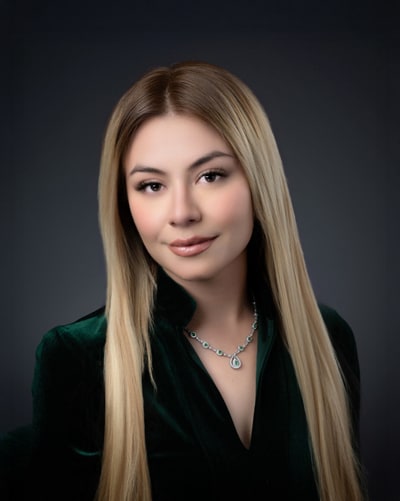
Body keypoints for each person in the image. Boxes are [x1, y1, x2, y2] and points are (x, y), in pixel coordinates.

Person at [0, 61, 367, 501]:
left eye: (210, 176)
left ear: (260, 182)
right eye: (151, 185)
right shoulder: (78, 358)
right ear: (124, 204)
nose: (182, 212)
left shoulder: (328, 339)